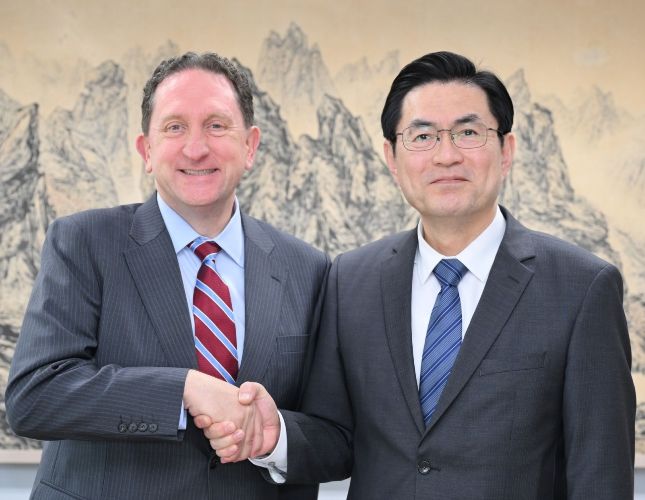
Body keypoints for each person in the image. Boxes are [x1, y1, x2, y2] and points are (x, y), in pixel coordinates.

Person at [202, 51, 636, 499]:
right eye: (423, 136)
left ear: (506, 151)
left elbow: (601, 476)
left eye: (468, 133)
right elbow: (336, 438)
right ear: (392, 157)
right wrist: (277, 436)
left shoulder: (581, 288)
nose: (446, 156)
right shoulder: (352, 281)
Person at [5, 52, 328, 500]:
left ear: (250, 146)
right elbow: (34, 397)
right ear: (147, 151)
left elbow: (335, 433)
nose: (196, 148)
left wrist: (277, 438)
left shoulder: (309, 269)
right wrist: (183, 390)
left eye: (216, 125)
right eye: (175, 127)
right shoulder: (83, 243)